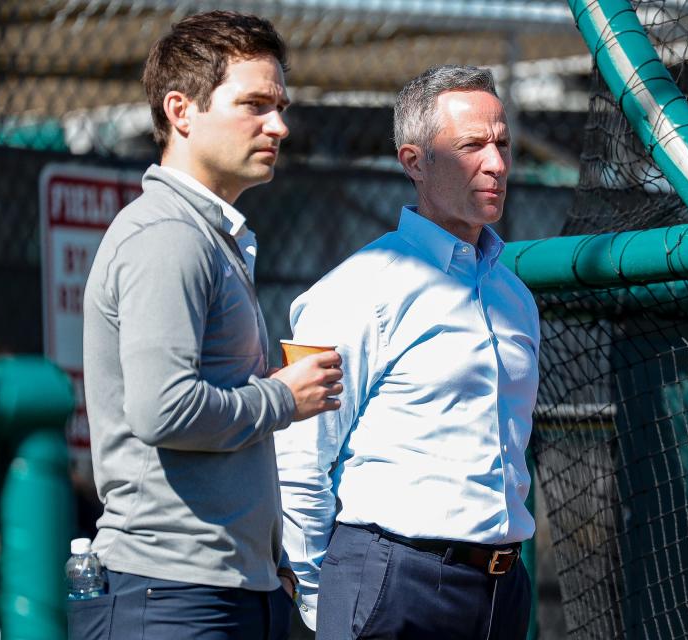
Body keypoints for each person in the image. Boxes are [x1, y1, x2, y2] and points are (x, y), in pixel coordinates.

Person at [76, 11, 343, 639]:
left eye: (279, 105)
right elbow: (162, 410)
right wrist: (283, 397)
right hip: (169, 596)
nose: (278, 125)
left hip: (226, 590)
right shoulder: (167, 234)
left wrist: (268, 568)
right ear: (181, 110)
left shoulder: (205, 235)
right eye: (253, 104)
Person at [276, 64, 540, 639]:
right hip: (391, 582)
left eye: (502, 144)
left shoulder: (515, 298)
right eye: (471, 145)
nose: (495, 164)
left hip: (502, 589)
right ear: (414, 161)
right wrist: (327, 599)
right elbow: (299, 457)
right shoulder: (359, 288)